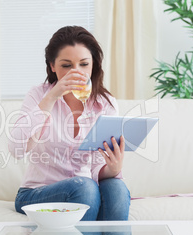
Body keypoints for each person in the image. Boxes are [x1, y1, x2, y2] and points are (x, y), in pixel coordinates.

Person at [8, 26, 130, 221]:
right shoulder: (38, 95)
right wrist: (52, 97)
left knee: (117, 189)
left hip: (86, 190)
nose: (76, 72)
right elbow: (16, 149)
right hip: (36, 193)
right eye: (66, 65)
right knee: (86, 188)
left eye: (83, 64)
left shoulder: (104, 104)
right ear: (52, 66)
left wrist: (113, 169)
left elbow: (96, 169)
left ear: (93, 66)